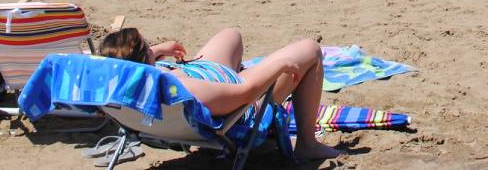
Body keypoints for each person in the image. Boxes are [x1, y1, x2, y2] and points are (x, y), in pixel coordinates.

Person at [97, 28, 340, 161]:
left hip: (207, 74)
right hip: (241, 101)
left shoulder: (117, 86)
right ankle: (308, 145)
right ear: (145, 61)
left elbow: (136, 62)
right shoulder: (183, 90)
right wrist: (279, 66)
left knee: (231, 34)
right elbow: (247, 93)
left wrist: (159, 50)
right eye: (147, 48)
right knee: (310, 49)